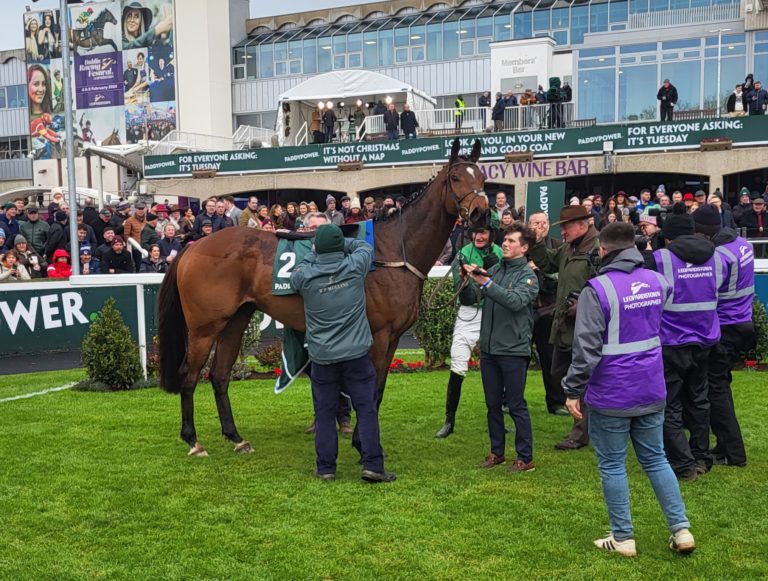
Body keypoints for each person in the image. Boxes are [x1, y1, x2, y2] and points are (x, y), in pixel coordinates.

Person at [562, 222, 695, 557]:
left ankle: (623, 538)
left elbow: (586, 349)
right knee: (656, 459)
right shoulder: (658, 282)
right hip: (651, 386)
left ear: (604, 250)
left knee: (612, 465)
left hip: (611, 391)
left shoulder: (597, 289)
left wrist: (572, 389)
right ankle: (681, 530)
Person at [289, 224, 394, 483]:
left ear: (317, 248)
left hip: (323, 358)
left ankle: (326, 468)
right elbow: (363, 246)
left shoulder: (305, 275)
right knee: (366, 409)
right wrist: (342, 245)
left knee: (324, 413)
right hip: (356, 355)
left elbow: (298, 271)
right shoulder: (355, 266)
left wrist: (316, 252)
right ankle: (373, 465)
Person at [650, 203, 724, 480]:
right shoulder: (716, 257)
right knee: (699, 400)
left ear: (668, 237)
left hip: (671, 340)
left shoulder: (660, 259)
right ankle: (702, 456)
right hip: (705, 338)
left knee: (670, 405)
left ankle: (682, 464)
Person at [462, 223, 538, 471]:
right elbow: (473, 297)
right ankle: (497, 453)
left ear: (524, 248)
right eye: (505, 240)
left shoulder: (528, 276)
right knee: (492, 404)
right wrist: (465, 281)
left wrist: (485, 283)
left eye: (512, 241)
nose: (505, 244)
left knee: (516, 405)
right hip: (490, 349)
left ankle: (525, 457)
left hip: (514, 350)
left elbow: (514, 301)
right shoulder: (495, 269)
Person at [529, 205, 600, 449]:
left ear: (582, 225)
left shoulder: (597, 249)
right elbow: (547, 263)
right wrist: (537, 242)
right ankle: (588, 420)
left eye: (567, 227)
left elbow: (605, 283)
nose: (564, 232)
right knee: (559, 372)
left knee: (581, 378)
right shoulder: (568, 247)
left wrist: (584, 304)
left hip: (586, 325)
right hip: (564, 323)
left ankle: (580, 433)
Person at [693, 205, 755, 468]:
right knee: (721, 385)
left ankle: (734, 452)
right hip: (744, 322)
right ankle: (723, 446)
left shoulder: (717, 256)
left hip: (725, 325)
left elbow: (707, 290)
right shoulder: (743, 244)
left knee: (715, 389)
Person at [435, 224, 502, 438]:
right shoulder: (463, 254)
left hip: (492, 312)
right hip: (468, 314)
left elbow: (506, 287)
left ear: (491, 234)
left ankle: (497, 418)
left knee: (496, 366)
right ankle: (449, 420)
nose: (479, 236)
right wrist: (484, 275)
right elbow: (464, 292)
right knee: (458, 364)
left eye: (483, 232)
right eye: (476, 232)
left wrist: (491, 271)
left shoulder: (500, 252)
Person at [527, 212, 566, 415]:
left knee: (550, 358)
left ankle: (556, 402)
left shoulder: (558, 246)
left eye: (544, 223)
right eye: (536, 223)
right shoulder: (522, 245)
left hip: (547, 309)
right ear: (529, 225)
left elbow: (563, 275)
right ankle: (509, 400)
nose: (541, 226)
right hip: (524, 311)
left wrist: (541, 268)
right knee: (518, 358)